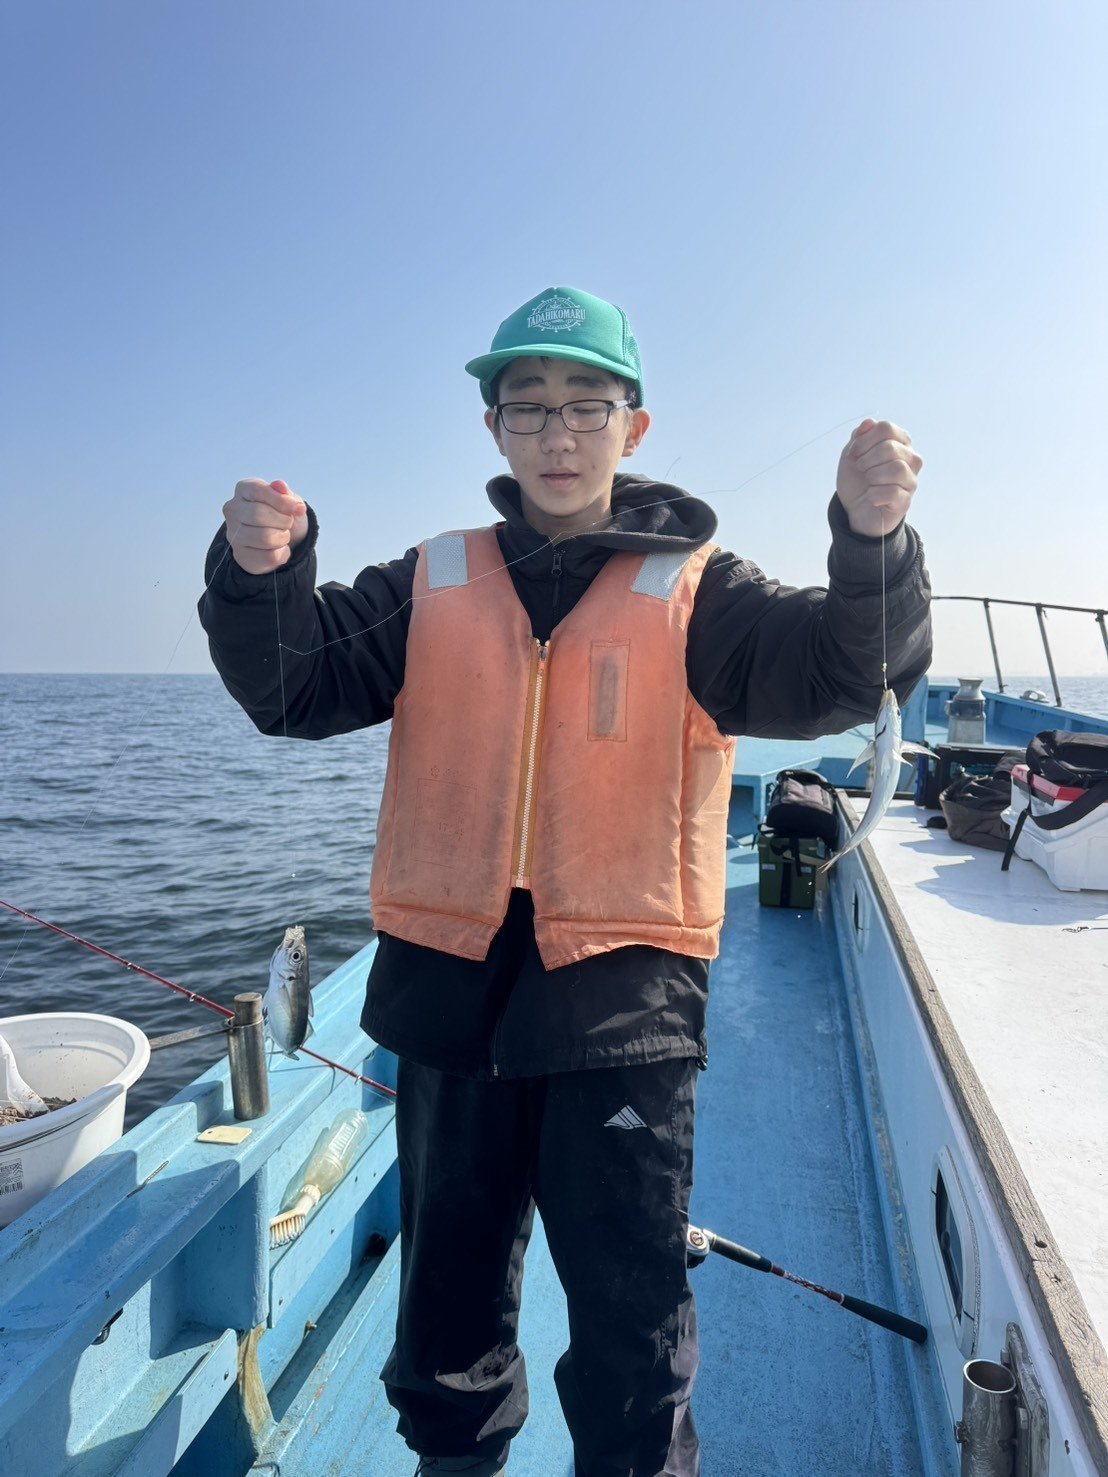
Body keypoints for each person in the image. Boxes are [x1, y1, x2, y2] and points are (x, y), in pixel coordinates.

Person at [199, 285, 931, 1477]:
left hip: (622, 1015)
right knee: (446, 1303)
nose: (557, 432)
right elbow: (293, 685)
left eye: (586, 405)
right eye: (528, 406)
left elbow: (845, 674)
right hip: (448, 1004)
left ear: (632, 427)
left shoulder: (703, 590)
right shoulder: (428, 579)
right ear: (493, 428)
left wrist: (871, 540)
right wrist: (258, 572)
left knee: (631, 1319)